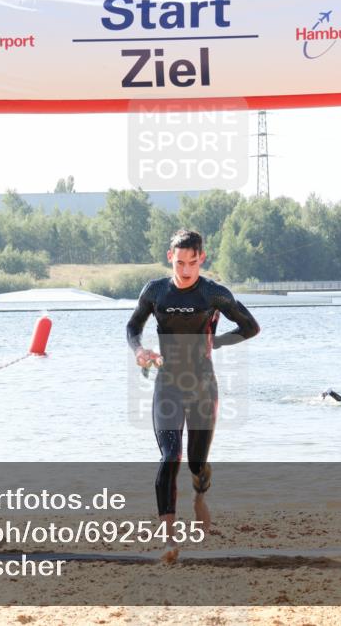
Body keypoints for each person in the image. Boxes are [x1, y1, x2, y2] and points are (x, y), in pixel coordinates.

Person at [126, 229, 260, 562]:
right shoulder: (155, 291)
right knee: (171, 455)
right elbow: (132, 327)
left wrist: (215, 343)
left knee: (197, 463)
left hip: (203, 386)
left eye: (192, 262)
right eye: (180, 262)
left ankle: (200, 496)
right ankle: (169, 538)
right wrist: (139, 350)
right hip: (167, 383)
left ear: (202, 259)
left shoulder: (214, 294)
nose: (185, 270)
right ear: (170, 257)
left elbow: (250, 327)